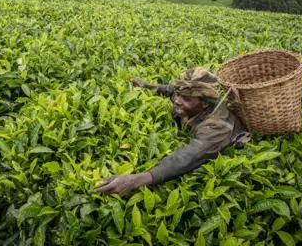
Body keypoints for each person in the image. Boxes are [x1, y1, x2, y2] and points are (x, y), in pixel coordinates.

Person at [94, 67, 250, 196]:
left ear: (204, 104)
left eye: (186, 99)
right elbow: (170, 90)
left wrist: (135, 180)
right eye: (178, 94)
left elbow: (188, 156)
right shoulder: (188, 95)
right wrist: (145, 85)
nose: (177, 100)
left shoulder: (217, 126)